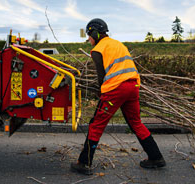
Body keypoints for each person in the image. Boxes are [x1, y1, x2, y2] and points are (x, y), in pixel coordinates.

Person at [70, 18, 166, 175]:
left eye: (89, 35)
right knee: (135, 122)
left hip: (116, 89)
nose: (88, 39)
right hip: (133, 86)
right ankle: (156, 157)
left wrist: (100, 92)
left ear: (95, 33)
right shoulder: (118, 44)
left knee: (96, 124)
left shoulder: (98, 49)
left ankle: (84, 163)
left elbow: (102, 78)